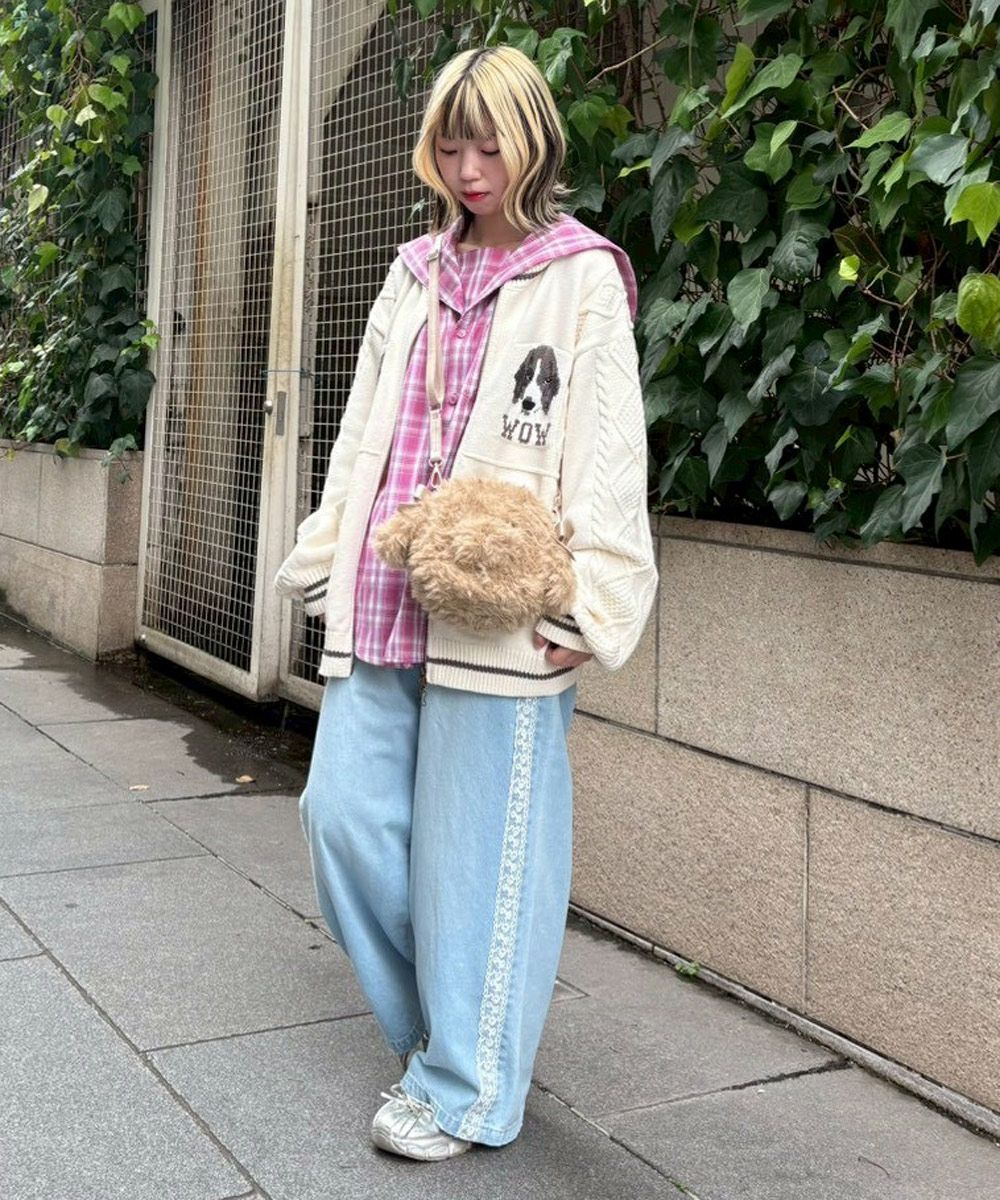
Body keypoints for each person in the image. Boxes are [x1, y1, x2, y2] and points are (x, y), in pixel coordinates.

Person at [273, 44, 657, 1161]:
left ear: (533, 141)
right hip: (386, 594)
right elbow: (362, 430)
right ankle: (454, 1034)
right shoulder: (413, 271)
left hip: (500, 609)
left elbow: (609, 449)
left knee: (480, 856)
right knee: (340, 819)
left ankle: (468, 1087)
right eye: (451, 145)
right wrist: (326, 552)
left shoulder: (581, 274)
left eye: (489, 145)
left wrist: (591, 601)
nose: (470, 167)